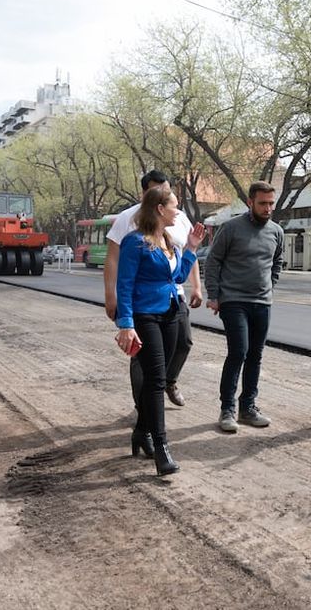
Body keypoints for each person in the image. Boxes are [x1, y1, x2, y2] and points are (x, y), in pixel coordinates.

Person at [115, 187, 205, 476]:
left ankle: (141, 431)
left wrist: (191, 248)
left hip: (170, 313)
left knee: (161, 377)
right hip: (145, 316)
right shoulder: (135, 242)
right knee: (155, 381)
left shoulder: (168, 240)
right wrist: (126, 324)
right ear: (158, 208)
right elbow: (125, 285)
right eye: (174, 206)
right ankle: (162, 448)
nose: (178, 212)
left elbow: (177, 277)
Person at [105, 170, 202, 411]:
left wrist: (197, 286)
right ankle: (144, 409)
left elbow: (187, 251)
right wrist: (111, 296)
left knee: (184, 342)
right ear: (146, 193)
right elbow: (114, 260)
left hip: (174, 296)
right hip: (144, 303)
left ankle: (168, 382)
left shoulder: (177, 219)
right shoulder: (127, 219)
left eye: (167, 190)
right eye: (157, 191)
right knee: (142, 357)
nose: (164, 195)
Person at [204, 182, 285, 433]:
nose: (268, 208)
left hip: (262, 302)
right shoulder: (231, 228)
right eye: (263, 203)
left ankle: (247, 407)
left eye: (271, 203)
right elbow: (213, 261)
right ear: (250, 202)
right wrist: (214, 295)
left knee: (255, 355)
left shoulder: (276, 231)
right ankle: (227, 409)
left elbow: (277, 261)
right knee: (239, 351)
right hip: (233, 300)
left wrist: (270, 286)